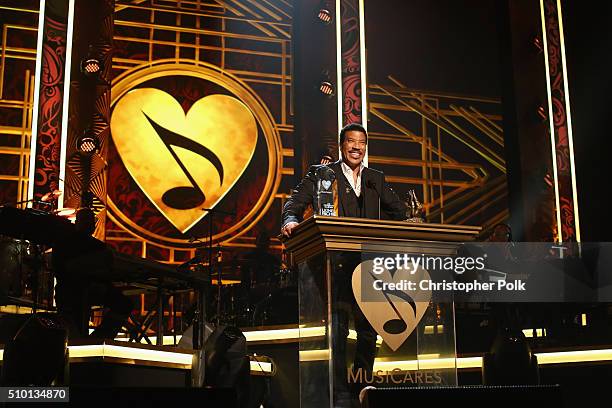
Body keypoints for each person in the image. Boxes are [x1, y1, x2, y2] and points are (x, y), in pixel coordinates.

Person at [281, 123, 407, 407]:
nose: (356, 147)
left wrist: (411, 223)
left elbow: (399, 212)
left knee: (368, 328)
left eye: (361, 143)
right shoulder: (322, 173)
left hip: (369, 266)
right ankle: (338, 389)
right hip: (334, 265)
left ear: (365, 147)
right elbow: (294, 203)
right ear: (342, 145)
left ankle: (363, 387)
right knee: (337, 328)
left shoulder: (375, 178)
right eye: (351, 142)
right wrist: (290, 221)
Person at [52, 207, 132, 339]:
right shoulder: (67, 243)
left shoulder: (65, 242)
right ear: (77, 222)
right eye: (87, 221)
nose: (91, 225)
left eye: (91, 222)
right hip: (72, 291)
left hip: (79, 290)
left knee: (123, 304)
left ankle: (96, 340)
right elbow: (63, 270)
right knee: (123, 304)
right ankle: (97, 340)